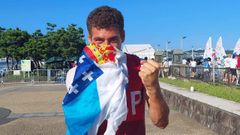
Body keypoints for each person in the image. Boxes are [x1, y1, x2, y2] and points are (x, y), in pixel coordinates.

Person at [65, 6, 169, 135]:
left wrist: (153, 86)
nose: (106, 47)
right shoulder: (79, 75)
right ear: (90, 39)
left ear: (123, 36)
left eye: (113, 40)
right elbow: (77, 124)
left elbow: (161, 122)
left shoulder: (139, 68)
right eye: (99, 40)